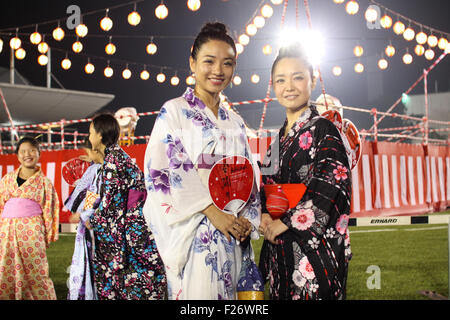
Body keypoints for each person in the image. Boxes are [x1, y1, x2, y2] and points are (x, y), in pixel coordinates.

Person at [143, 22, 261, 300]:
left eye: (227, 63)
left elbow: (247, 174)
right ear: (192, 62)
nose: (218, 71)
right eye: (209, 61)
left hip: (232, 231)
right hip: (198, 231)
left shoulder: (234, 121)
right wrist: (212, 212)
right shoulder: (174, 111)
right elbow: (165, 170)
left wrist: (246, 221)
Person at [259, 43, 352, 300]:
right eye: (280, 80)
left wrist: (286, 222)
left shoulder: (325, 130)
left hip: (313, 252)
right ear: (273, 86)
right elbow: (265, 188)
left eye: (298, 77)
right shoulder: (276, 141)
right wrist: (265, 215)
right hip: (280, 249)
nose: (289, 86)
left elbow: (333, 187)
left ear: (312, 80)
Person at [88, 113, 166, 300]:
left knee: (132, 281)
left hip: (132, 229)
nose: (89, 137)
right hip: (136, 223)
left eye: (91, 133)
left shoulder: (113, 162)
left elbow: (111, 207)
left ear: (99, 136)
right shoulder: (118, 157)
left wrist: (90, 220)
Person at [0, 136, 59, 300]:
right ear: (17, 156)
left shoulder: (44, 183)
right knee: (6, 269)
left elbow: (50, 208)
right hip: (6, 231)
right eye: (23, 151)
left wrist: (48, 233)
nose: (28, 154)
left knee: (36, 270)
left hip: (32, 231)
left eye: (32, 150)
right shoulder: (6, 180)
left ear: (39, 153)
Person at [64, 138, 103, 300]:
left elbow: (95, 194)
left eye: (89, 152)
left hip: (93, 225)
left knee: (90, 264)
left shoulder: (99, 170)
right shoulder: (96, 168)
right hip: (89, 222)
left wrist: (83, 213)